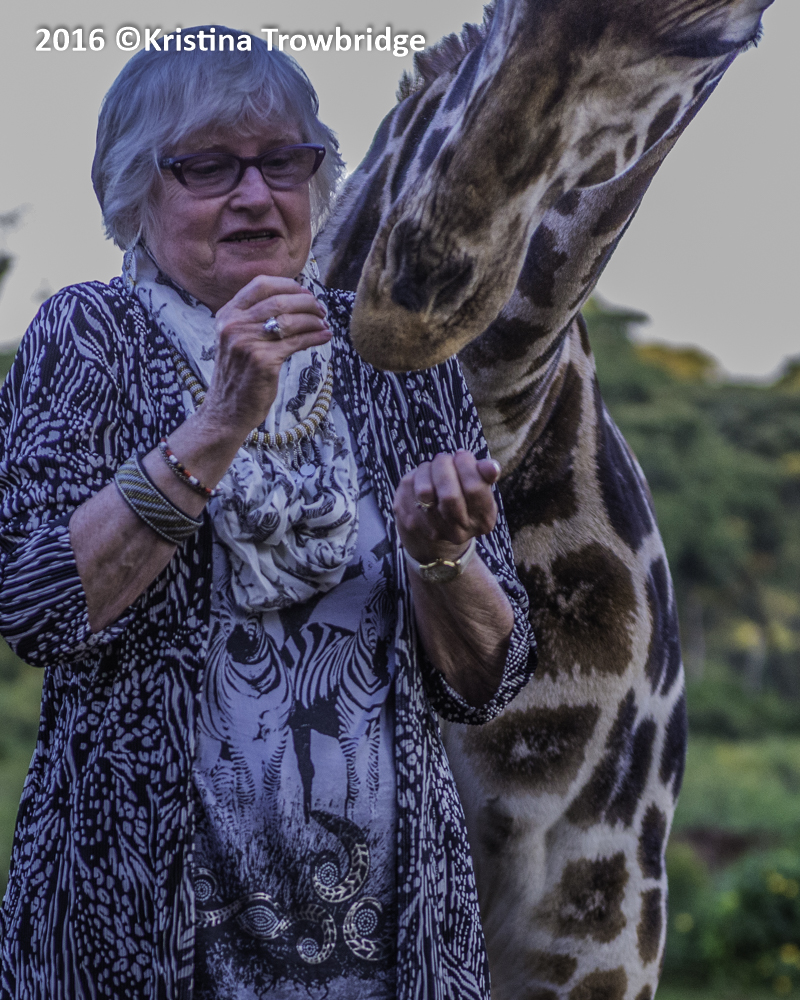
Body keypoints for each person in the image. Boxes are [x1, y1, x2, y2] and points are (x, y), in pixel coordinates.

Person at [0, 28, 535, 1000]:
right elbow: (38, 608)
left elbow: (489, 680)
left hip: (388, 953)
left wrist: (442, 560)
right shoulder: (88, 336)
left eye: (282, 161)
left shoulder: (392, 355)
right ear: (136, 190)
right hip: (140, 943)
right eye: (207, 166)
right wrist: (218, 424)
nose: (254, 194)